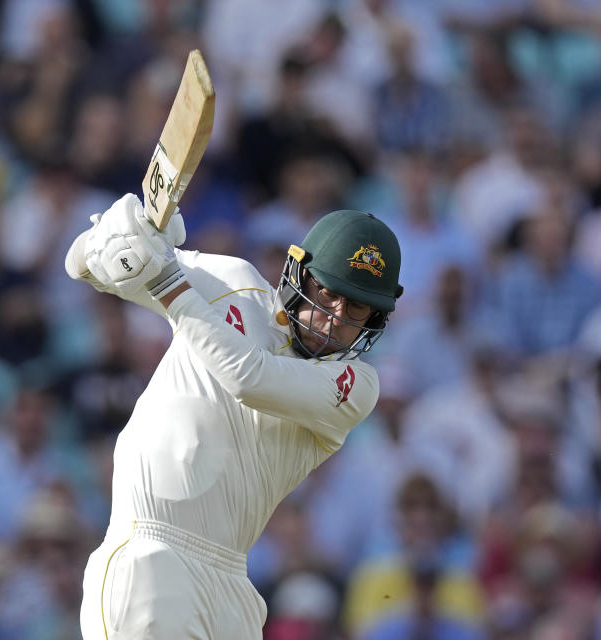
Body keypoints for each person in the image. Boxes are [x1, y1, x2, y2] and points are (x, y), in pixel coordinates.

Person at [65, 193, 403, 639]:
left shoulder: (356, 386)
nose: (334, 319)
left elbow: (249, 378)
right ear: (300, 273)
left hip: (233, 589)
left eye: (356, 308)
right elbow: (81, 267)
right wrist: (128, 232)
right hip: (151, 555)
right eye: (330, 293)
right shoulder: (231, 280)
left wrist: (168, 282)